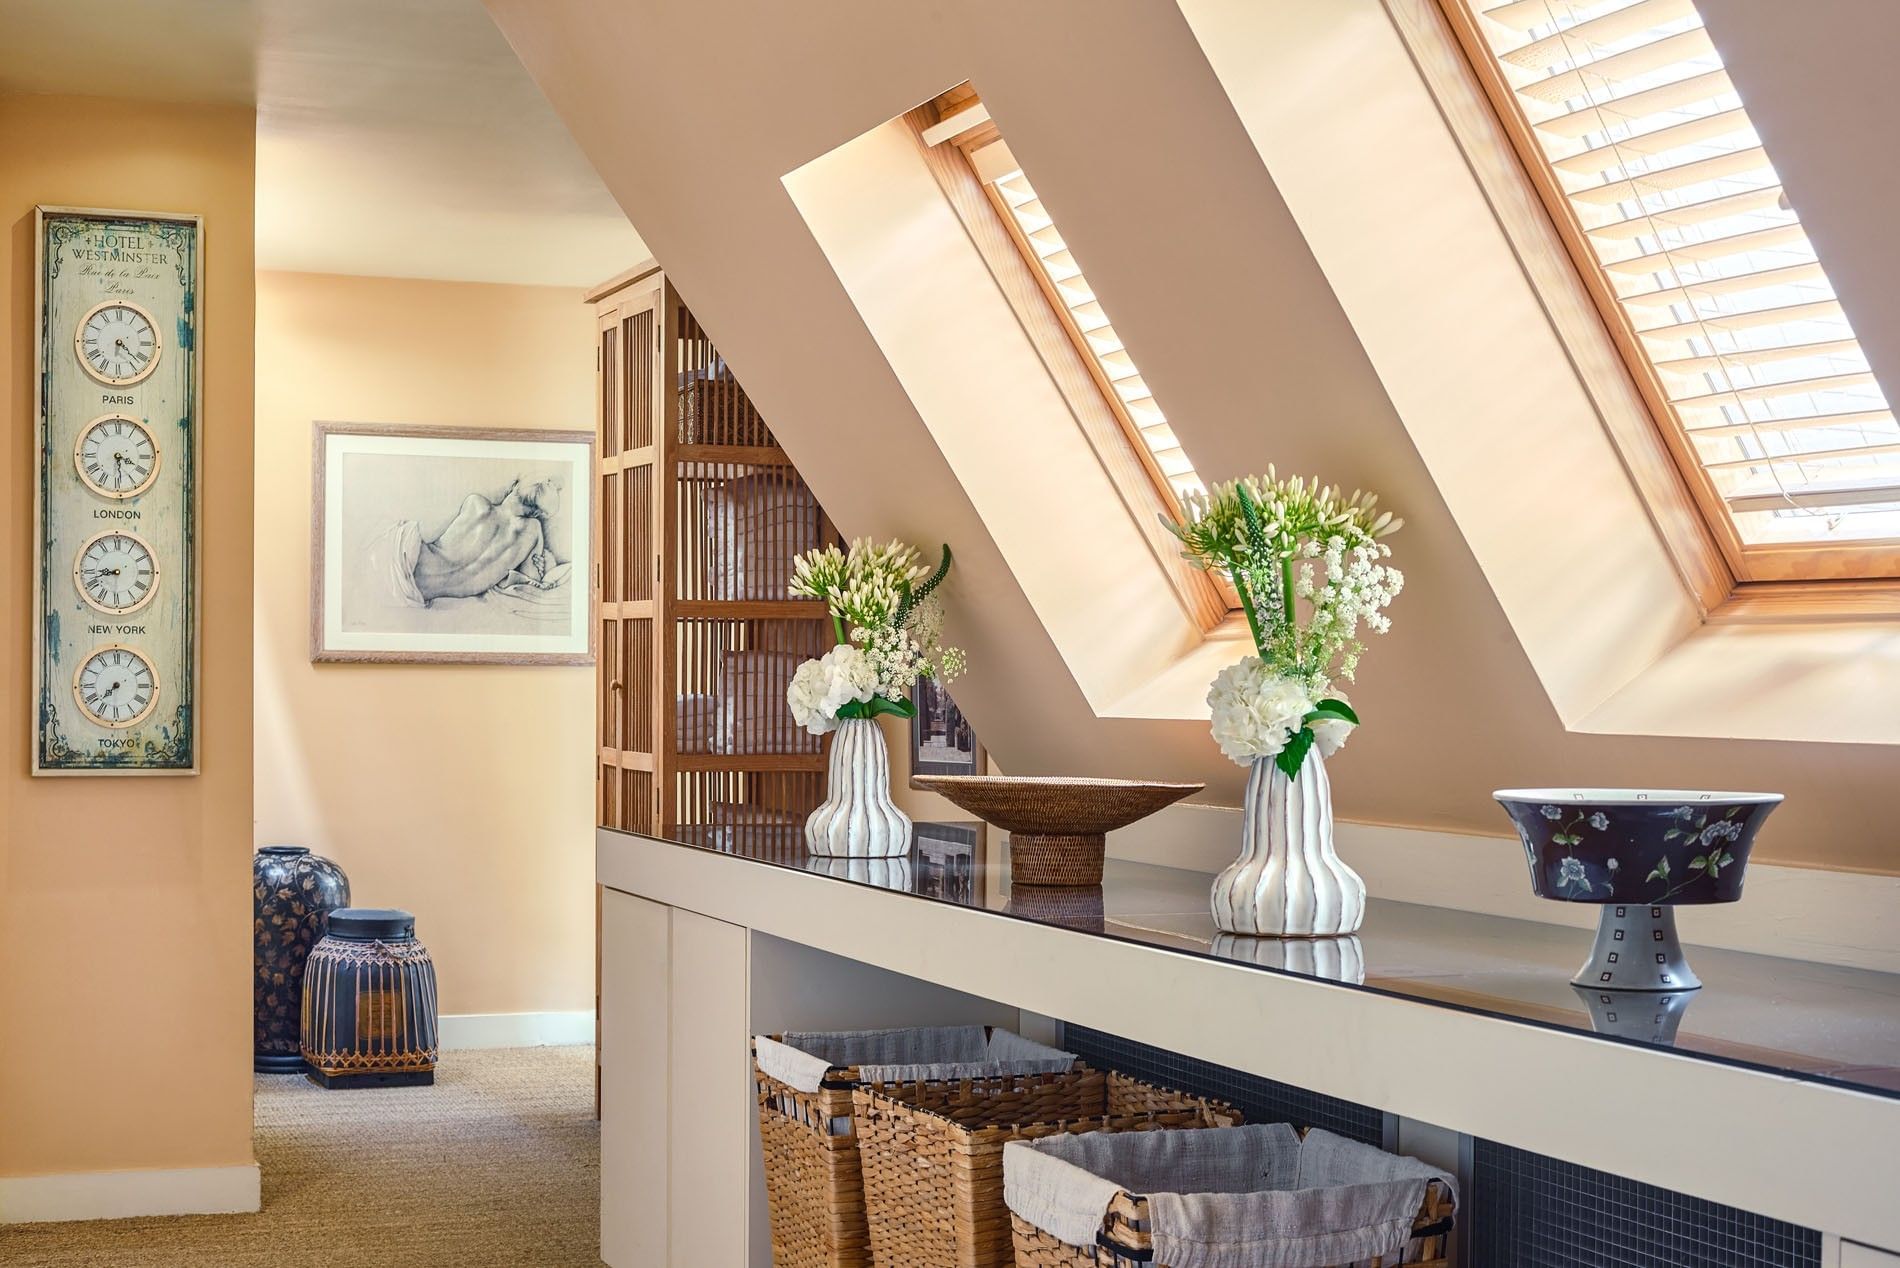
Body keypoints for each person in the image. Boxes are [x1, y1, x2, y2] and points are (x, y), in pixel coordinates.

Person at [370, 477, 570, 608]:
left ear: (514, 486)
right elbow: (527, 580)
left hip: (401, 561)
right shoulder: (533, 531)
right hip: (417, 594)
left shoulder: (476, 503)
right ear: (537, 512)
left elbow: (427, 531)